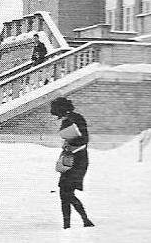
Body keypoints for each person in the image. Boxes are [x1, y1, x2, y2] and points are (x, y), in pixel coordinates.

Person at [50, 97, 94, 229]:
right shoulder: (70, 119)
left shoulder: (75, 119)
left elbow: (83, 140)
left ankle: (79, 222)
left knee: (66, 193)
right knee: (65, 193)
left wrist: (70, 143)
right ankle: (75, 223)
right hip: (72, 160)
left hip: (78, 161)